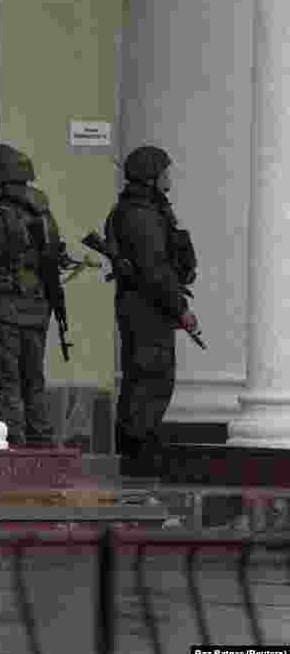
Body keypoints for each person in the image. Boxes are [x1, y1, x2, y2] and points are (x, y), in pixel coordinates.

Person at [106, 145, 198, 474]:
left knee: (149, 379)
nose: (169, 177)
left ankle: (139, 450)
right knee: (149, 380)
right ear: (152, 176)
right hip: (146, 309)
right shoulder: (140, 215)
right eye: (165, 171)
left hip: (148, 308)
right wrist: (181, 309)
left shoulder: (147, 211)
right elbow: (155, 270)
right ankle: (138, 456)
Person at [0, 143, 66, 446]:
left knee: (7, 376)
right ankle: (41, 434)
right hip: (37, 305)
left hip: (5, 305)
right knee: (34, 376)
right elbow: (54, 254)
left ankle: (14, 434)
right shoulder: (41, 210)